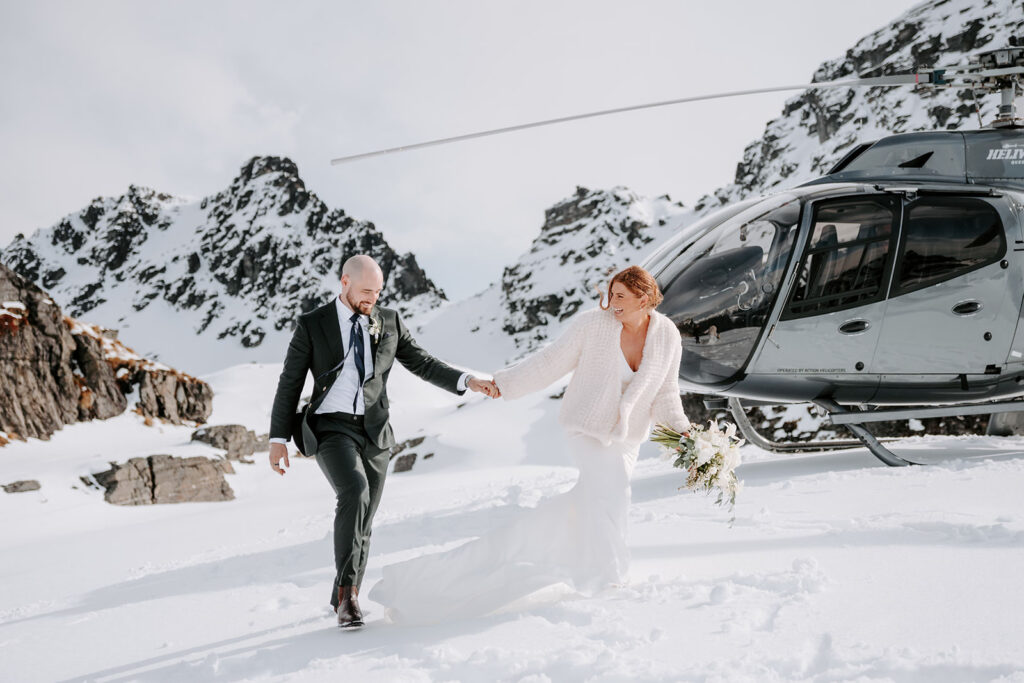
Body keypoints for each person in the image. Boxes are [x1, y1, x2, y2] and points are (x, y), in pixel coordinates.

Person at [369, 265, 691, 624]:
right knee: (614, 493)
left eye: (620, 297)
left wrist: (683, 434)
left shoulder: (667, 336)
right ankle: (611, 577)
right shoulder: (592, 325)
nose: (611, 303)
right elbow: (551, 361)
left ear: (643, 299)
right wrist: (503, 383)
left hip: (626, 438)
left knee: (596, 500)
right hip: (586, 428)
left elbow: (666, 391)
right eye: (610, 294)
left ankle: (445, 578)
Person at [267, 254, 498, 629]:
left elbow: (422, 362)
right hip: (330, 427)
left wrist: (466, 381)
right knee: (354, 491)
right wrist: (278, 438)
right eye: (365, 291)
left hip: (376, 432)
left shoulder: (388, 321)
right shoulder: (313, 325)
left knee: (366, 518)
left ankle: (346, 590)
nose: (371, 298)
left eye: (377, 292)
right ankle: (348, 598)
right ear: (344, 283)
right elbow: (290, 382)